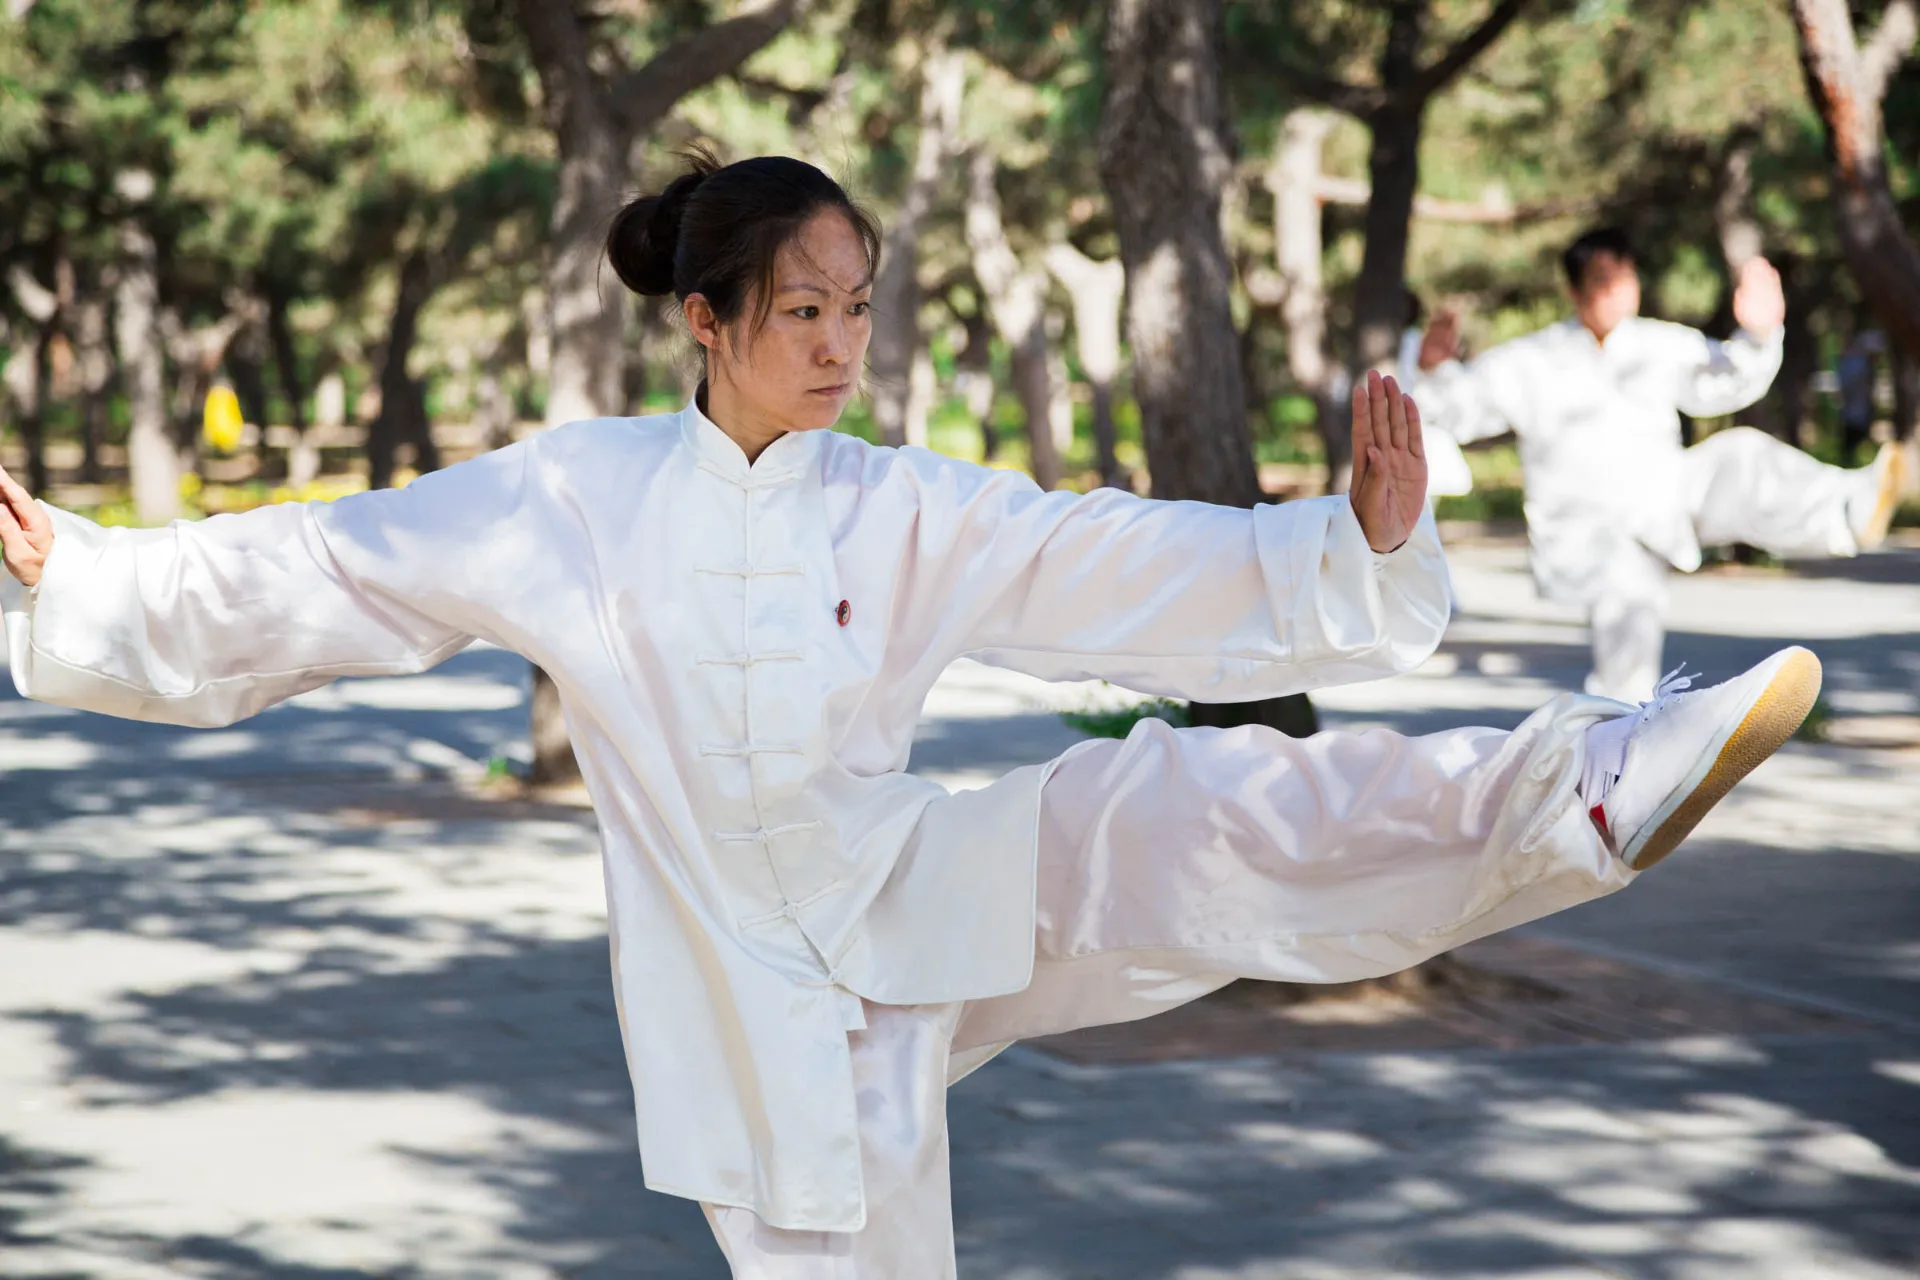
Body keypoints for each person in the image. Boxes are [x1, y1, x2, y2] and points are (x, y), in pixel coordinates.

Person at [0, 155, 1825, 1278]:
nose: (838, 343)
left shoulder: (898, 501)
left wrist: (1348, 542)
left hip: (915, 887)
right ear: (705, 319)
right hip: (747, 995)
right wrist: (86, 572)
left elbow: (1109, 560)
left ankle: (1587, 785)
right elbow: (327, 567)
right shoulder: (568, 500)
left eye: (857, 308)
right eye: (801, 309)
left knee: (1190, 807)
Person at [1409, 227, 1905, 701]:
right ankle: (1622, 744)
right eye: (1602, 280)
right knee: (1627, 646)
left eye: (1625, 278)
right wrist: (1434, 372)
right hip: (1594, 530)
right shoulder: (1531, 360)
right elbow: (1457, 408)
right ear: (1574, 290)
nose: (1617, 291)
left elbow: (1725, 376)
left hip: (1662, 497)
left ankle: (1849, 508)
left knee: (1740, 455)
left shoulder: (1658, 343)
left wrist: (1758, 335)